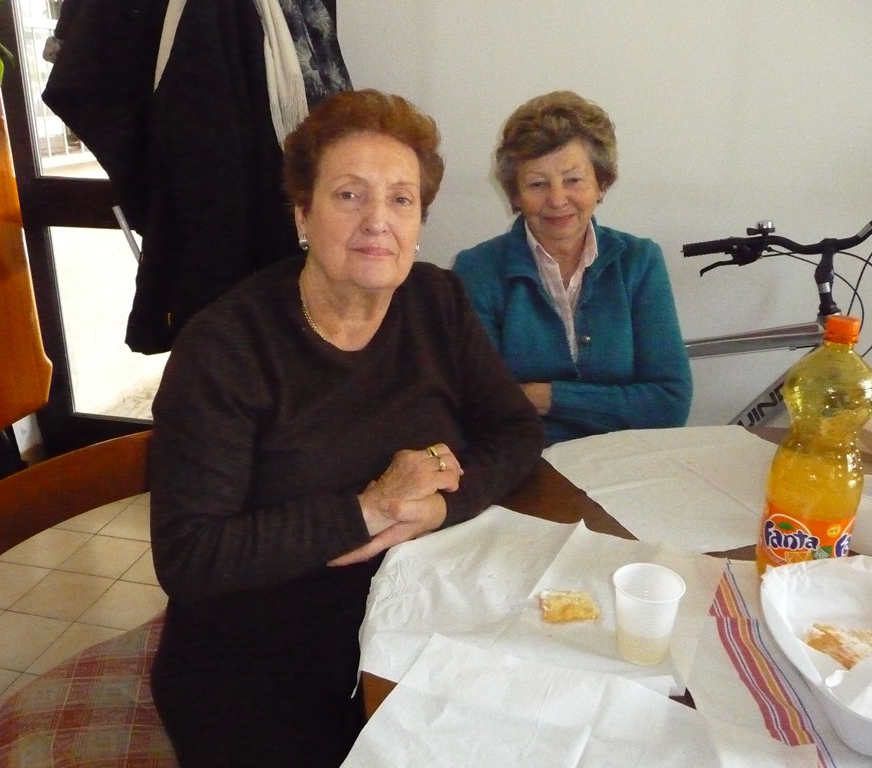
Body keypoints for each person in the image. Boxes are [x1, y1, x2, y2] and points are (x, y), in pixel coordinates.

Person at [148, 89, 544, 767]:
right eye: (349, 195)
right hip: (262, 665)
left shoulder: (436, 301)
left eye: (401, 199)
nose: (377, 221)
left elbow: (514, 430)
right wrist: (370, 508)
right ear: (303, 213)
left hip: (415, 625)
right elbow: (190, 557)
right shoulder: (225, 348)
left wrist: (441, 504)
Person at [453, 91, 692, 446]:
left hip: (629, 462)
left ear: (601, 184)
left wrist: (544, 397)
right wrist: (611, 407)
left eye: (573, 180)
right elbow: (482, 408)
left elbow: (670, 403)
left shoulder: (640, 261)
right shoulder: (477, 270)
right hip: (527, 463)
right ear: (515, 195)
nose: (557, 199)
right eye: (537, 184)